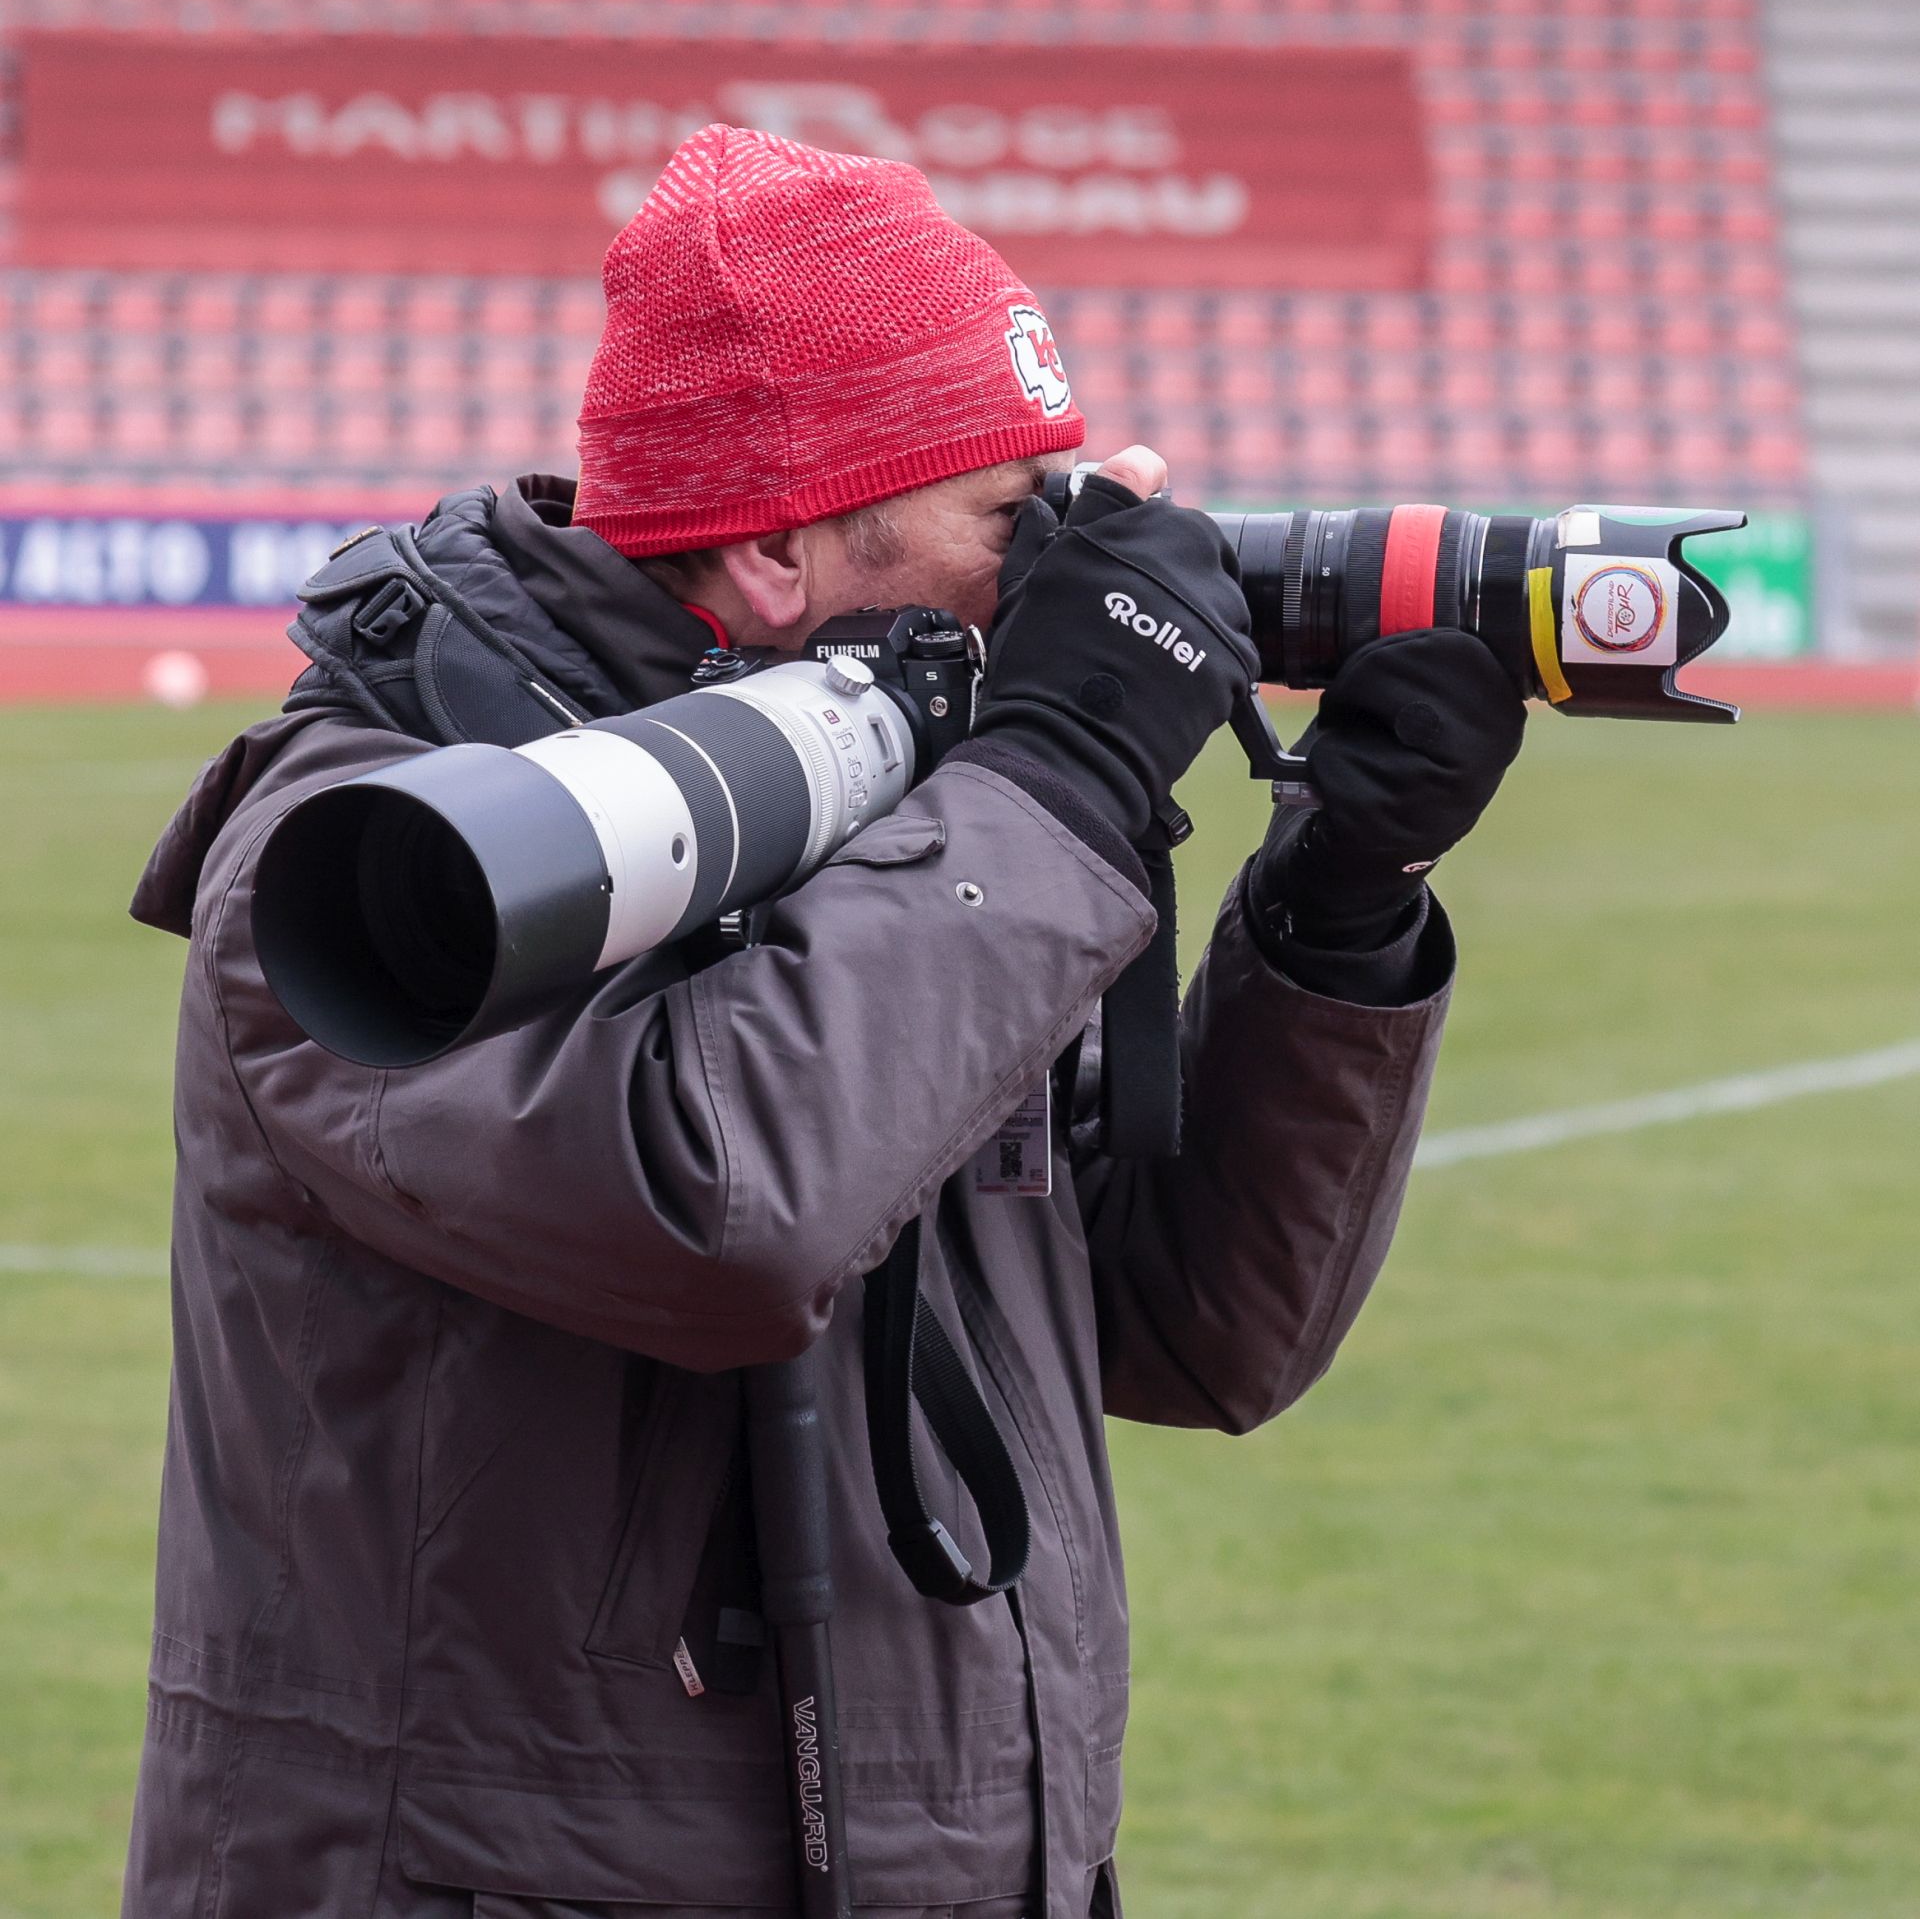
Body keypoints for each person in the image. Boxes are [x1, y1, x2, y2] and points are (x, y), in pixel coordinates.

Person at [122, 124, 1524, 1918]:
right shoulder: (386, 862)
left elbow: (1186, 1330)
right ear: (779, 554)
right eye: (1014, 521)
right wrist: (1069, 774)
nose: (1067, 574)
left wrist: (1338, 906)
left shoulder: (913, 805)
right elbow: (723, 1209)